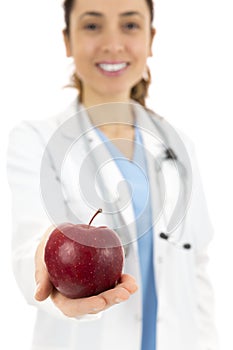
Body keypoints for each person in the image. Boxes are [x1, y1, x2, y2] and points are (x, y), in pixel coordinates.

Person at [7, 0, 219, 349]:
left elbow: (197, 265)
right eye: (92, 26)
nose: (112, 43)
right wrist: (45, 268)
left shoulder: (179, 145)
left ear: (151, 39)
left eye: (130, 25)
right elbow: (26, 249)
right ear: (67, 41)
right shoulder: (36, 139)